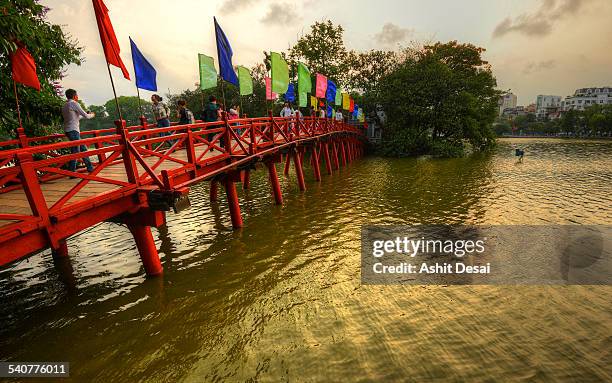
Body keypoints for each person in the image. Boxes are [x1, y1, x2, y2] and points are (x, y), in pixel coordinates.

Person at [62, 88, 95, 173]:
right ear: (74, 96)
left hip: (68, 130)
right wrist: (92, 115)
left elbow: (75, 117)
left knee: (82, 149)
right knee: (76, 151)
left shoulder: (65, 105)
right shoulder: (74, 103)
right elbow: (86, 116)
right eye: (77, 95)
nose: (77, 97)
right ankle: (72, 171)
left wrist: (86, 114)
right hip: (73, 130)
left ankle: (90, 168)